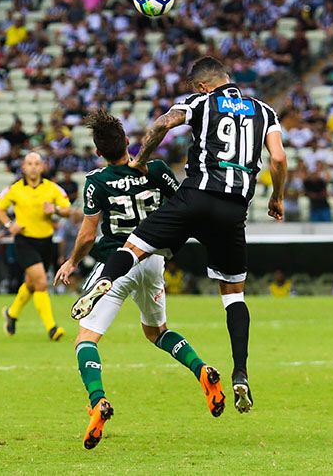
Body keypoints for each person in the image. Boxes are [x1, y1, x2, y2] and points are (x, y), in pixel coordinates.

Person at [71, 57, 287, 413]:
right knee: (234, 295)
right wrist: (277, 197)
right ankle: (241, 374)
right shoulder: (265, 111)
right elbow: (277, 159)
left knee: (135, 246)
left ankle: (106, 278)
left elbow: (162, 124)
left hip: (196, 195)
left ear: (202, 86)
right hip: (234, 209)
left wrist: (141, 158)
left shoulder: (199, 102)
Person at [53, 110, 225, 449]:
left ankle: (98, 401)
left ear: (99, 151)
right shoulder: (157, 169)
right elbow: (182, 205)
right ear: (128, 142)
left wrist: (72, 261)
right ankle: (202, 370)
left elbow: (88, 234)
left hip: (116, 262)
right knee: (156, 332)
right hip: (152, 259)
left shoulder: (97, 180)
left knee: (85, 339)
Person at [0, 152, 71, 341]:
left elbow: (68, 210)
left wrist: (55, 210)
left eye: (37, 163)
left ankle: (12, 314)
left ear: (43, 166)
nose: (33, 167)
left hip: (46, 242)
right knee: (41, 283)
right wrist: (9, 225)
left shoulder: (52, 188)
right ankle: (52, 328)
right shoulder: (14, 189)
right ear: (23, 167)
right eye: (29, 163)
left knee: (31, 284)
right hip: (25, 241)